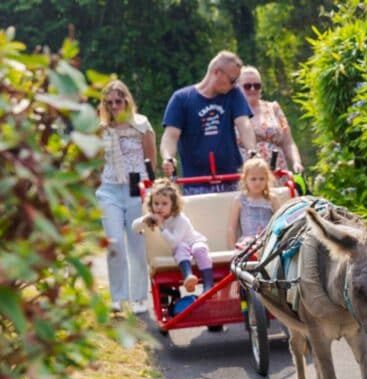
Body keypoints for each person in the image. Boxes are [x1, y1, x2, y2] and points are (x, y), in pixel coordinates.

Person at [95, 79, 155, 313]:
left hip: (135, 187)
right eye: (109, 103)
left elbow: (151, 159)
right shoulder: (102, 129)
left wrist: (150, 188)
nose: (114, 106)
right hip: (110, 188)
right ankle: (118, 297)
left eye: (118, 101)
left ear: (126, 101)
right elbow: (97, 159)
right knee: (115, 242)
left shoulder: (141, 125)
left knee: (137, 245)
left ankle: (139, 297)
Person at [159, 51, 256, 195]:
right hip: (195, 183)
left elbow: (244, 124)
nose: (235, 84)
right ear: (217, 72)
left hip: (230, 179)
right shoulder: (181, 98)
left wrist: (252, 151)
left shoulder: (234, 94)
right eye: (232, 80)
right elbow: (170, 135)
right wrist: (168, 157)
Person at [134, 179, 213, 293]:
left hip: (194, 242)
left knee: (198, 248)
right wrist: (144, 220)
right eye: (156, 203)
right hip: (182, 248)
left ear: (173, 204)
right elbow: (134, 228)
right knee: (180, 248)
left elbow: (174, 242)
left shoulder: (180, 219)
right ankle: (188, 277)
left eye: (164, 203)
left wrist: (162, 227)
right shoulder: (154, 217)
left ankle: (208, 285)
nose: (159, 207)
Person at [237, 66, 304, 175]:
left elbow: (288, 142)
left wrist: (296, 162)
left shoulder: (274, 108)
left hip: (277, 171)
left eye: (257, 86)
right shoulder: (233, 113)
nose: (253, 89)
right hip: (249, 175)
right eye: (247, 86)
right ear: (238, 88)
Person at [227, 157, 283, 250]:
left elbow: (280, 222)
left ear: (267, 179)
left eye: (262, 179)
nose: (258, 182)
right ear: (245, 179)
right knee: (249, 246)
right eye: (253, 179)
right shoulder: (240, 200)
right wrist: (232, 250)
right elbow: (231, 228)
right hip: (247, 241)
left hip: (267, 239)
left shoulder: (272, 199)